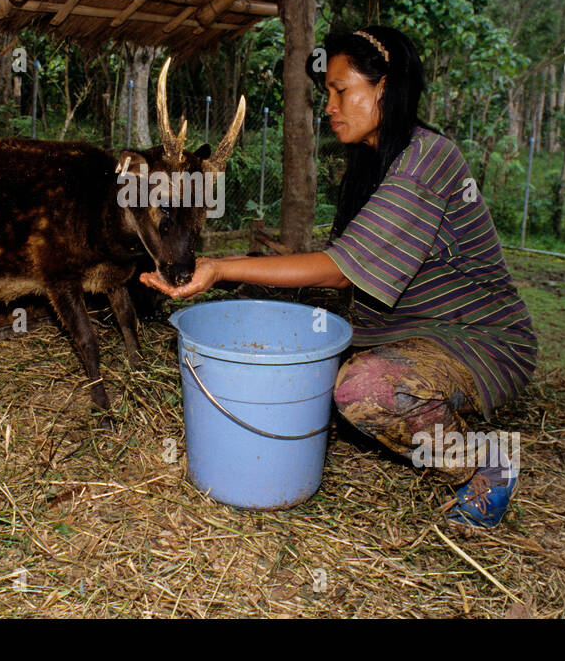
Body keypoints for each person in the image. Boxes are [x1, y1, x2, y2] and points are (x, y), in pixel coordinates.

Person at [140, 26, 537, 527]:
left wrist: (218, 269)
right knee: (307, 368)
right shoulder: (375, 162)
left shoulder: (426, 159)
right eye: (327, 92)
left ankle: (485, 465)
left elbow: (338, 272)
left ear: (384, 89)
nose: (329, 106)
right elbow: (345, 263)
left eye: (341, 90)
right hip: (409, 335)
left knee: (360, 390)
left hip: (475, 339)